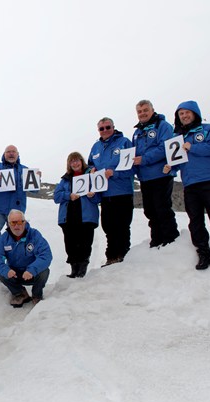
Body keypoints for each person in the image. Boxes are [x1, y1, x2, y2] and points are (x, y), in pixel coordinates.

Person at [164, 100, 210, 272]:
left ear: (195, 113)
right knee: (195, 222)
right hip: (190, 185)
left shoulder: (208, 129)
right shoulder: (177, 138)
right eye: (181, 114)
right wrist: (171, 167)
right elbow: (179, 161)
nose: (184, 116)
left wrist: (192, 147)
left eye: (187, 112)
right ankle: (204, 253)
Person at [132, 99, 180, 247]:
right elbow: (134, 154)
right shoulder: (137, 132)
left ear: (152, 110)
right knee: (150, 210)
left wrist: (144, 159)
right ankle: (156, 239)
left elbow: (165, 147)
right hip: (145, 178)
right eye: (139, 111)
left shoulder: (163, 126)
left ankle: (170, 239)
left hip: (161, 174)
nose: (143, 113)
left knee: (162, 208)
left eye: (145, 110)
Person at [88, 117, 135, 266]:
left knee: (122, 225)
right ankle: (111, 256)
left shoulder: (124, 142)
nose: (105, 131)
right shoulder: (96, 147)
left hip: (122, 192)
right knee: (108, 226)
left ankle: (123, 255)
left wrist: (114, 173)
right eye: (102, 128)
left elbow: (132, 166)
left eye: (108, 127)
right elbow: (89, 165)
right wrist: (92, 170)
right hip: (105, 194)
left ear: (113, 127)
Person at [0, 209, 52, 307]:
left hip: (32, 273)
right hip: (14, 274)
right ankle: (20, 293)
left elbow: (45, 255)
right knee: (1, 273)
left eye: (19, 222)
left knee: (44, 271)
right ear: (9, 224)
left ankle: (37, 294)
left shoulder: (34, 235)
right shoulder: (4, 239)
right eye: (13, 223)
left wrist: (32, 270)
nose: (16, 226)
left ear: (24, 222)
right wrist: (6, 271)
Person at [0, 145, 39, 255]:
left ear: (18, 154)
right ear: (4, 154)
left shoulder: (25, 170)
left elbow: (35, 191)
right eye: (8, 152)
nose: (11, 154)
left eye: (13, 152)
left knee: (17, 236)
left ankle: (14, 260)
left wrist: (37, 179)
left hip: (17, 210)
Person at [53, 152, 100, 278]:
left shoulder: (91, 175)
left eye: (77, 160)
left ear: (81, 161)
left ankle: (82, 268)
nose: (75, 163)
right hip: (68, 216)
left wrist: (93, 195)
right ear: (69, 164)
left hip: (86, 216)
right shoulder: (65, 179)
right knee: (70, 243)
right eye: (72, 161)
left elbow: (99, 197)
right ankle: (74, 268)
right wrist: (68, 195)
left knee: (85, 242)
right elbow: (56, 196)